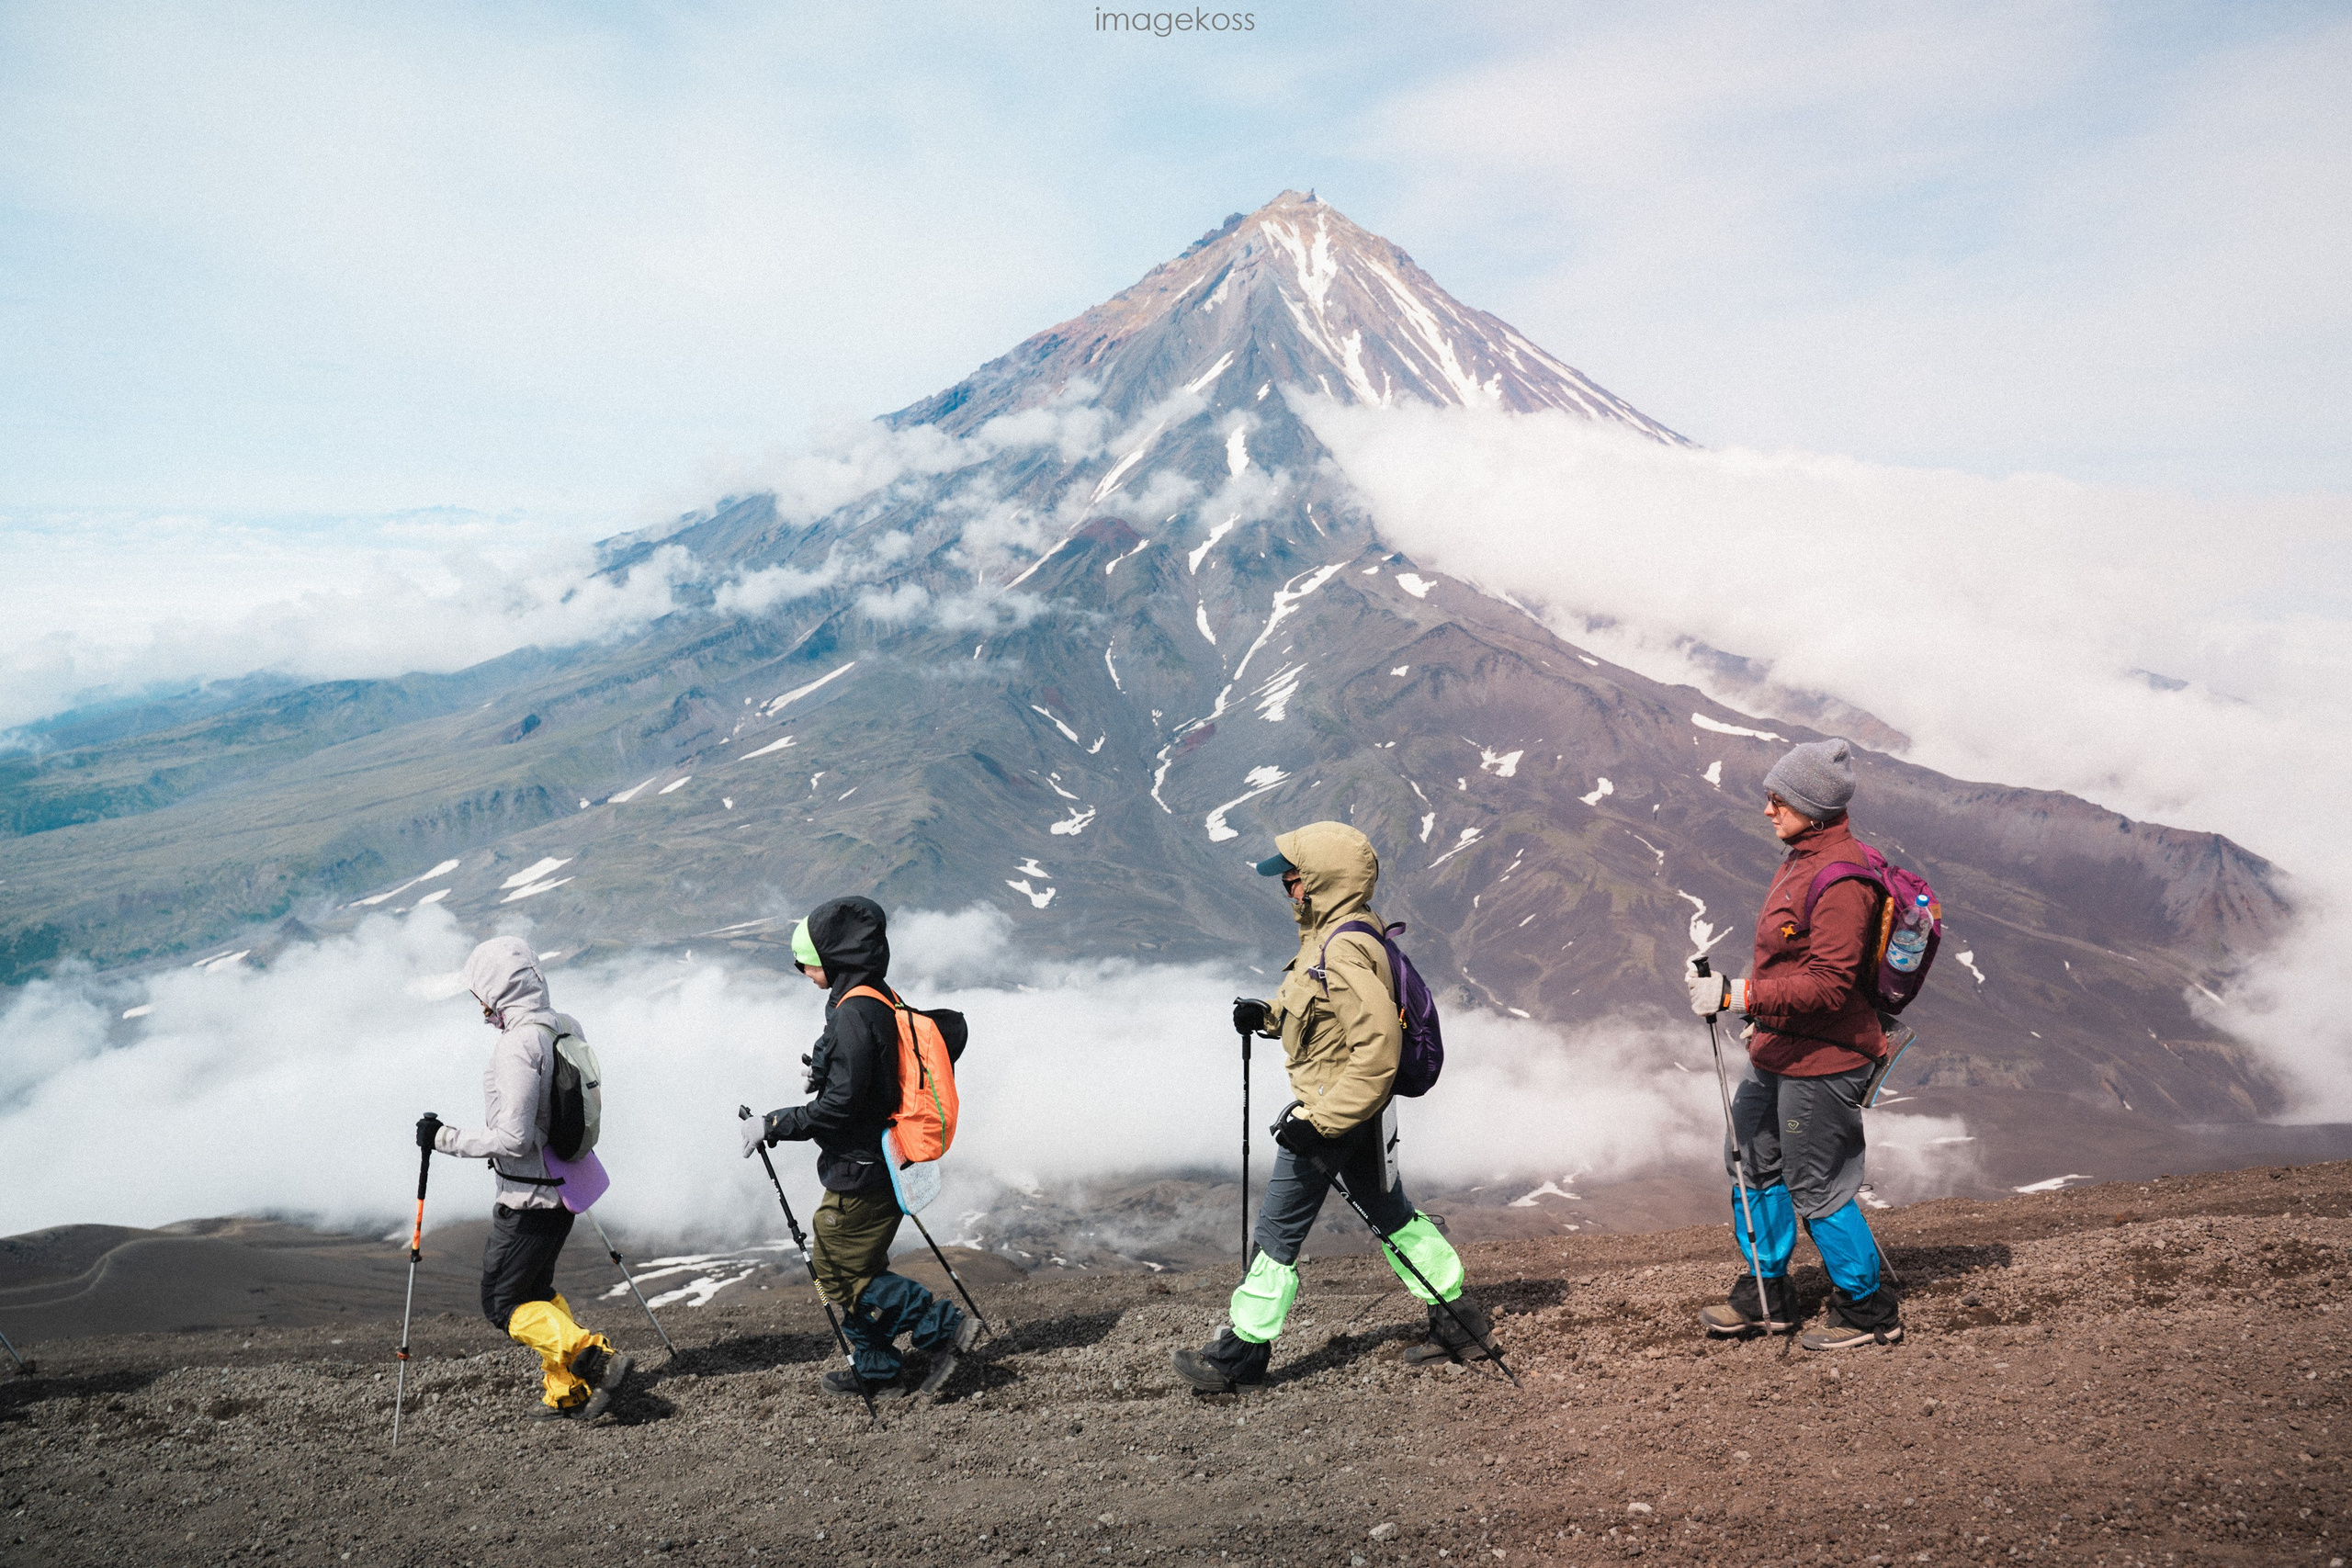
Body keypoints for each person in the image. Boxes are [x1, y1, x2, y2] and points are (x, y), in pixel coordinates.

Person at [1172, 821, 1492, 1393]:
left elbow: (1377, 1050)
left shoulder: (1341, 946)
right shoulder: (1342, 935)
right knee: (1393, 1216)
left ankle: (1238, 1358)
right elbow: (1323, 1020)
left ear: (1320, 882)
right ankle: (1460, 1324)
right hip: (1359, 1114)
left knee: (1275, 1234)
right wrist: (1267, 1017)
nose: (1287, 892)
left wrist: (1317, 1124)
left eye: (1293, 881)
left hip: (1331, 1116)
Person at [1685, 738, 1904, 1350]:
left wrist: (1739, 996)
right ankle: (1767, 1294)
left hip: (1825, 1058)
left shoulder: (1840, 879)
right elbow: (1796, 963)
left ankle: (1867, 1308)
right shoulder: (1803, 858)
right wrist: (1754, 1005)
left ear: (1813, 805)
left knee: (1818, 1183)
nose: (1767, 809)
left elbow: (1831, 985)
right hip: (1783, 1047)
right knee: (1752, 1157)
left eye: (1778, 799)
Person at [741, 897, 977, 1397]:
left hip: (863, 1167)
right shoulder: (872, 995)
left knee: (841, 1270)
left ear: (835, 957)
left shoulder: (854, 1011)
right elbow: (869, 1072)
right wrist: (823, 1070)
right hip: (878, 1159)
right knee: (842, 1265)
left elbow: (843, 1107)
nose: (803, 971)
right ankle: (876, 1366)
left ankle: (939, 1326)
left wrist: (775, 1123)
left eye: (808, 961)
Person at [416, 936, 633, 1420]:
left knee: (502, 1303)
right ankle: (566, 1391)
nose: (483, 1011)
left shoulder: (517, 1045)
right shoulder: (564, 1025)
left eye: (482, 998)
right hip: (566, 1184)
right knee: (535, 1292)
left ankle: (594, 1358)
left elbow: (513, 1138)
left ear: (500, 990)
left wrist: (443, 1138)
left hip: (529, 1198)